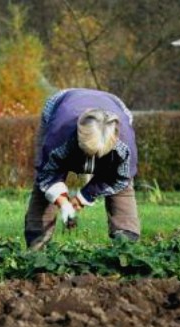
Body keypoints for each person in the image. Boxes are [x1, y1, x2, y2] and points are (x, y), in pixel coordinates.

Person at [24, 88, 141, 250]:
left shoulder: (124, 144)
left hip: (114, 104)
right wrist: (64, 204)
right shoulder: (59, 134)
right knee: (42, 187)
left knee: (123, 190)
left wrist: (83, 198)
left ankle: (126, 246)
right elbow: (48, 173)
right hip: (61, 105)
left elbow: (119, 178)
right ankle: (37, 245)